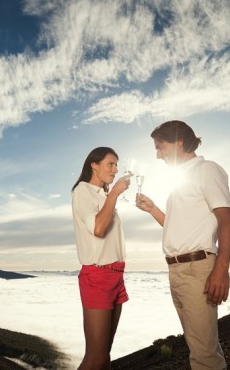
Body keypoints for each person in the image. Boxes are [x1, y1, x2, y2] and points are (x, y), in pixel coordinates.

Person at [135, 120, 230, 370]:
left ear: (179, 141)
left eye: (161, 147)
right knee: (199, 347)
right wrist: (153, 210)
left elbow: (227, 219)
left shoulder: (207, 170)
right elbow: (177, 228)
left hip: (197, 269)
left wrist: (221, 270)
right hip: (178, 271)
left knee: (204, 355)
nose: (158, 155)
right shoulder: (182, 180)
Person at [71, 147, 132, 370]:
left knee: (104, 356)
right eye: (110, 164)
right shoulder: (82, 191)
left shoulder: (104, 195)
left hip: (117, 276)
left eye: (117, 165)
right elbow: (98, 228)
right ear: (94, 165)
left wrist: (111, 194)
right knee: (95, 358)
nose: (116, 170)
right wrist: (115, 193)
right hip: (98, 276)